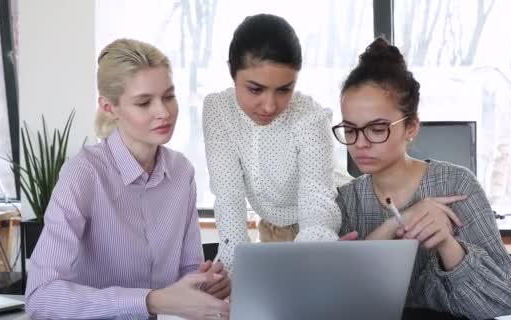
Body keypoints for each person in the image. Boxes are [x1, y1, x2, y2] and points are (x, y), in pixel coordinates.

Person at [25, 38, 230, 320]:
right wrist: (150, 300)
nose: (164, 112)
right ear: (109, 108)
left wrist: (205, 285)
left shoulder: (181, 172)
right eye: (144, 102)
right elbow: (40, 297)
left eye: (169, 96)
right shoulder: (84, 173)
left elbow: (187, 272)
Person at [333, 38, 511, 319]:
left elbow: (506, 300)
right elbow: (341, 302)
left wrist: (448, 244)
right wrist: (395, 223)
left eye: (376, 129)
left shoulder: (457, 184)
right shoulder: (346, 200)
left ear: (411, 127)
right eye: (350, 130)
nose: (359, 143)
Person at [203, 14, 341, 270]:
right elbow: (228, 195)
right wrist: (233, 270)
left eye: (284, 90)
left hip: (325, 225)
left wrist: (313, 256)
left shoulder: (311, 117)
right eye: (255, 89)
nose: (269, 106)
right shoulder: (218, 110)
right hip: (270, 228)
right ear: (232, 71)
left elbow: (317, 197)